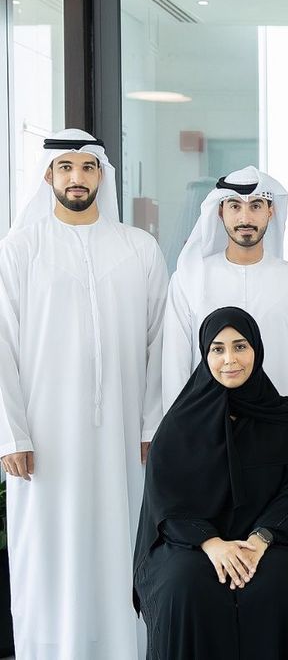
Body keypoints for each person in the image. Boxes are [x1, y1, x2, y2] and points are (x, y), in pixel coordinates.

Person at [0, 129, 168, 659]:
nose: (77, 177)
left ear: (102, 176)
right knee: (47, 551)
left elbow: (160, 342)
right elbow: (2, 344)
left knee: (121, 543)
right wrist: (12, 434)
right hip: (43, 438)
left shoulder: (138, 248)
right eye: (66, 167)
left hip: (123, 436)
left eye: (88, 167)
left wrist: (151, 425)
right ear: (48, 175)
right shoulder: (20, 248)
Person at [134, 306, 288, 659]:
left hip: (270, 541)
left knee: (276, 584)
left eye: (240, 346)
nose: (229, 359)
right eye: (217, 349)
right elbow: (166, 502)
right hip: (191, 544)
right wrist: (212, 543)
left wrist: (260, 539)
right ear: (205, 356)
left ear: (256, 350)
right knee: (184, 586)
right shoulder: (179, 426)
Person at [162, 166, 288, 433]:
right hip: (207, 429)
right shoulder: (189, 279)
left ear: (271, 211)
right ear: (220, 211)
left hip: (279, 431)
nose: (245, 217)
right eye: (235, 206)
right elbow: (175, 367)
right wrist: (178, 433)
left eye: (256, 206)